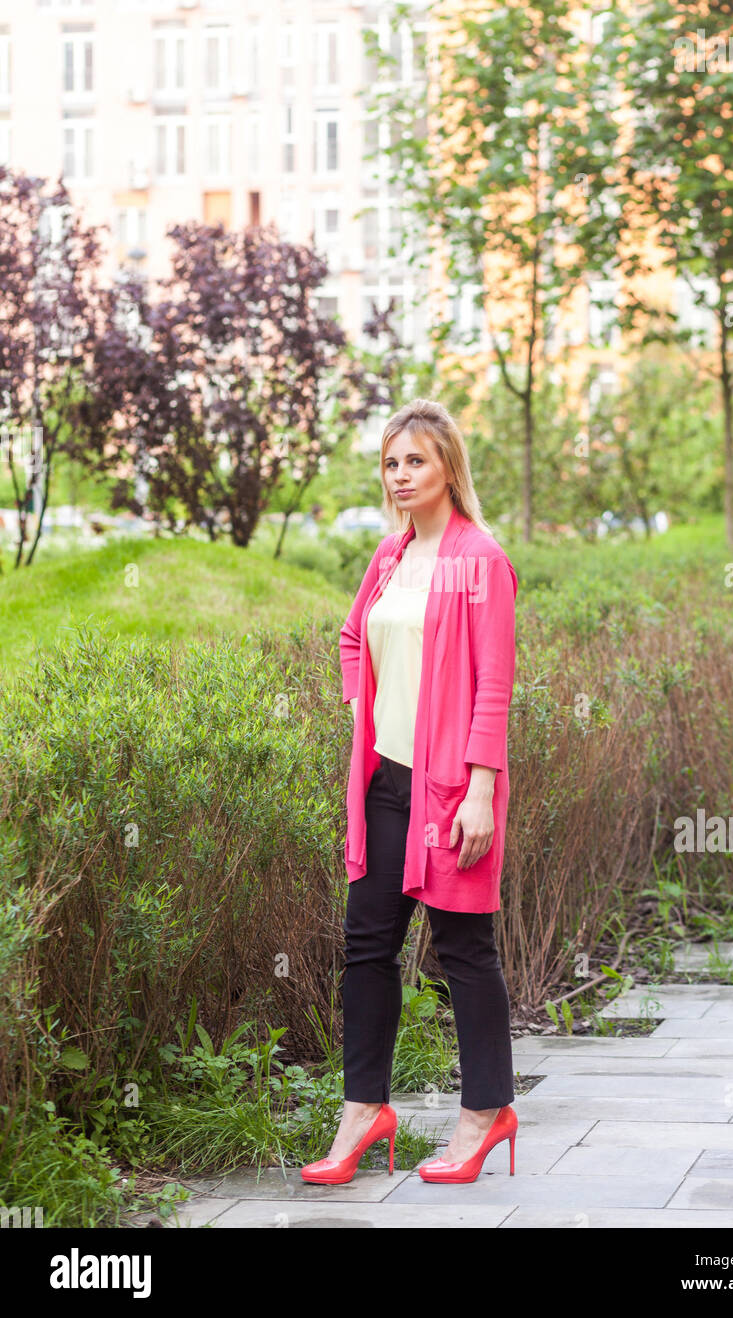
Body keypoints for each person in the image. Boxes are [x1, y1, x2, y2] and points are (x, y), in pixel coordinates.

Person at [301, 399, 519, 1185]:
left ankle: (486, 1112)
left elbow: (494, 681)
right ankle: (364, 1112)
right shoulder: (390, 557)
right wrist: (364, 705)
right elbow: (353, 636)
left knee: (463, 951)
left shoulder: (480, 560)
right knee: (367, 947)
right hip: (384, 783)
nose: (400, 476)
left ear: (448, 466)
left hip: (451, 789)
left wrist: (481, 790)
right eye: (391, 463)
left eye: (415, 461)